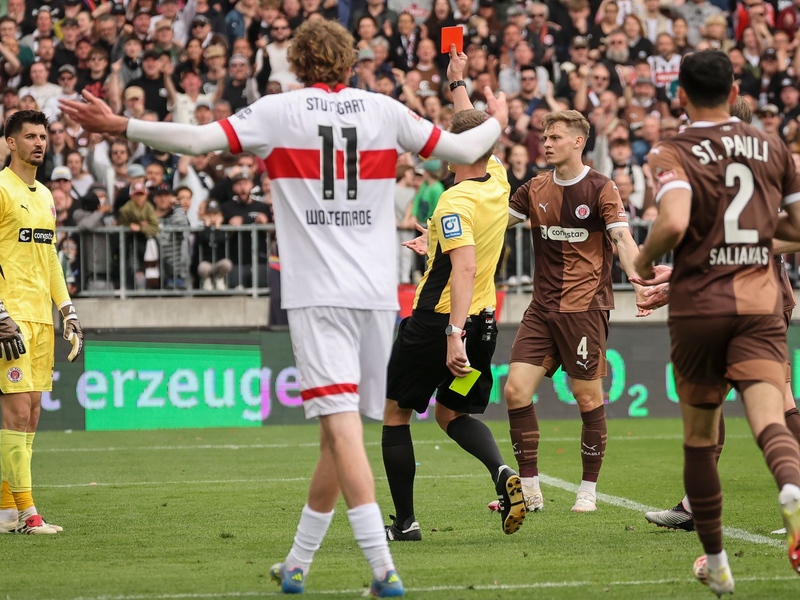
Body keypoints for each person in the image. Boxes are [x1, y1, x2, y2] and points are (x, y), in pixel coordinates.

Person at [60, 17, 508, 598]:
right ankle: (297, 563)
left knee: (340, 426)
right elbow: (471, 145)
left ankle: (382, 567)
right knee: (337, 431)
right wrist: (494, 109)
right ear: (349, 63)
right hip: (376, 295)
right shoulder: (382, 109)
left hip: (317, 294)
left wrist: (119, 123)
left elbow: (196, 141)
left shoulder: (279, 111)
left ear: (296, 65)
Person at [633, 51, 800, 595]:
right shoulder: (774, 146)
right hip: (760, 303)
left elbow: (675, 219)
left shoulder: (671, 150)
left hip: (701, 308)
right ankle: (794, 494)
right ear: (734, 89)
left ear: (680, 94)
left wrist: (641, 260)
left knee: (701, 438)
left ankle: (717, 562)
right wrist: (751, 241)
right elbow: (796, 226)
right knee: (772, 421)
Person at [382, 47, 524, 543]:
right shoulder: (499, 178)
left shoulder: (452, 199)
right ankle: (504, 475)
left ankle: (406, 522)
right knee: (452, 413)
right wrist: (456, 82)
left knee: (396, 413)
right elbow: (474, 131)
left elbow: (463, 266)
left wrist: (451, 335)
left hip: (439, 327)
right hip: (485, 324)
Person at [495, 109, 651, 517]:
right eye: (545, 137)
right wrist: (441, 235)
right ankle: (529, 487)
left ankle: (588, 488)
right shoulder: (533, 188)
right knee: (514, 390)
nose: (546, 143)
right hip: (541, 307)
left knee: (586, 397)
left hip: (584, 309)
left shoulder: (602, 188)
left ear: (578, 141)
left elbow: (621, 237)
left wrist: (640, 280)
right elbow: (494, 226)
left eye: (555, 137)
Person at [0, 110, 83, 535]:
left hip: (40, 319)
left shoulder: (47, 195)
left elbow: (49, 256)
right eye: (29, 136)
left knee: (30, 415)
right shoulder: (0, 189)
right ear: (10, 143)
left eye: (43, 136)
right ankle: (30, 514)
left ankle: (5, 512)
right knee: (15, 415)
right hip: (9, 321)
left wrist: (67, 309)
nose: (39, 143)